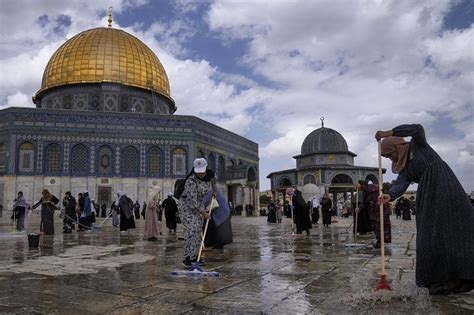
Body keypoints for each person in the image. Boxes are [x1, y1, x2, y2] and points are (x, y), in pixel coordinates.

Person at [376, 124, 474, 295]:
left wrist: (389, 132)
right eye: (386, 157)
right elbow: (400, 184)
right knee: (432, 235)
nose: (390, 159)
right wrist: (389, 196)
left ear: (397, 146)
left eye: (390, 154)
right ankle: (440, 280)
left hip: (446, 187)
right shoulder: (405, 168)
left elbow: (417, 129)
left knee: (456, 229)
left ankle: (465, 276)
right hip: (429, 195)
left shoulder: (418, 145)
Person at [178, 158, 214, 269]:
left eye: (202, 171)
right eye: (198, 171)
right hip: (187, 207)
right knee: (191, 230)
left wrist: (215, 192)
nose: (201, 173)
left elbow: (213, 186)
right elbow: (192, 201)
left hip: (199, 206)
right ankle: (186, 257)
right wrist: (204, 213)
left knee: (198, 230)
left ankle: (195, 256)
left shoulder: (209, 177)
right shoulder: (191, 181)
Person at [357, 180, 391, 248]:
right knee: (375, 227)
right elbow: (364, 202)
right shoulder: (365, 191)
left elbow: (372, 189)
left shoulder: (371, 187)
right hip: (372, 212)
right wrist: (359, 208)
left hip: (381, 209)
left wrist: (361, 187)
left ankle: (384, 240)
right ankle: (379, 241)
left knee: (383, 225)